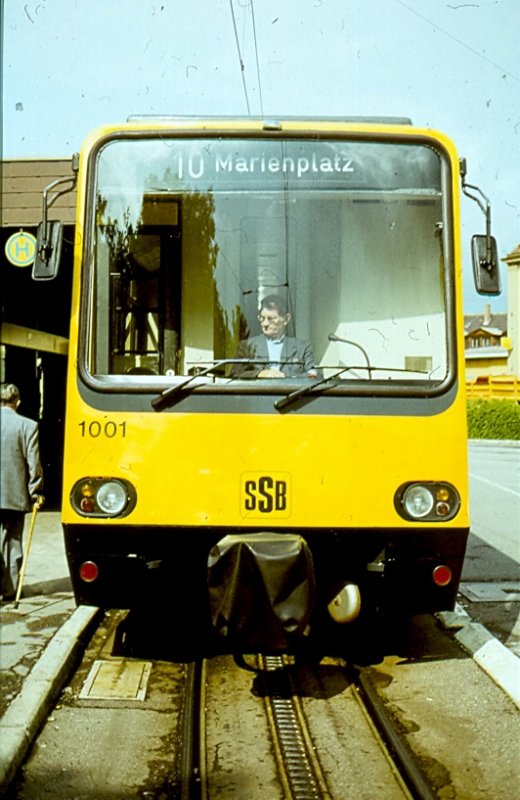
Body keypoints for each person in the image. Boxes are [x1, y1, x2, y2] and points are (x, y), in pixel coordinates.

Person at [0, 383, 44, 601]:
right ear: (17, 402)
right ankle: (9, 590)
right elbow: (33, 463)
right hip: (14, 495)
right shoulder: (28, 426)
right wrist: (36, 492)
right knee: (12, 542)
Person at [233, 295, 319, 379]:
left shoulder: (302, 348)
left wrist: (284, 376)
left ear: (286, 319)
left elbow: (312, 374)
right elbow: (235, 374)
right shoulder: (246, 346)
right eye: (262, 318)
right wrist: (259, 374)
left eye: (271, 319)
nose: (265, 324)